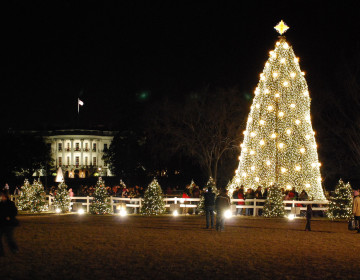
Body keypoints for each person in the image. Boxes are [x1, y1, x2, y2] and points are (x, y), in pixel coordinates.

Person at [0, 191, 19, 256]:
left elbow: (15, 212)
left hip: (9, 223)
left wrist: (10, 217)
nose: (2, 197)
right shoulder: (1, 204)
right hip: (2, 223)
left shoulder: (10, 203)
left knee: (9, 238)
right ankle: (1, 252)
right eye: (1, 196)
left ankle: (14, 248)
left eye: (3, 196)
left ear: (5, 196)